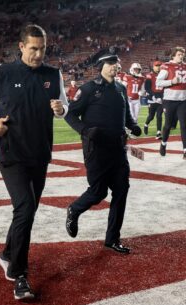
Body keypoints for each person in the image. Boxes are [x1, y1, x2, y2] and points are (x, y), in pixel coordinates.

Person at [0, 24, 68, 300]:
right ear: (21, 47)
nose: (38, 54)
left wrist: (62, 109)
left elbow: (64, 106)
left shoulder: (53, 74)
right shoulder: (4, 73)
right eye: (33, 48)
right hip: (11, 152)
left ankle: (6, 253)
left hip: (39, 153)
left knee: (27, 211)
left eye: (42, 49)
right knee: (25, 208)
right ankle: (19, 274)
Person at [64, 54, 141, 255]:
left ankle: (113, 238)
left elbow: (126, 116)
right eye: (110, 64)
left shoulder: (121, 88)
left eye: (116, 64)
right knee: (98, 192)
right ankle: (74, 209)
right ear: (101, 67)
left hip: (118, 148)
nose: (115, 67)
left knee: (121, 190)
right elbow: (70, 114)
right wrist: (84, 130)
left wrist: (133, 126)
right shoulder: (89, 89)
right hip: (96, 148)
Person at [156, 47, 186, 160]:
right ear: (173, 56)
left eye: (182, 54)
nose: (181, 56)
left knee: (184, 125)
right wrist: (171, 81)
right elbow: (158, 82)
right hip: (170, 100)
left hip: (183, 100)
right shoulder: (166, 66)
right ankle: (163, 144)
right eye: (179, 54)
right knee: (168, 125)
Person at [144, 61, 164, 139]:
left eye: (159, 65)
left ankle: (158, 132)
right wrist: (153, 96)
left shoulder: (164, 75)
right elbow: (147, 88)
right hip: (152, 98)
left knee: (159, 115)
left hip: (161, 98)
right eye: (157, 66)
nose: (158, 67)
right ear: (153, 66)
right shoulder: (149, 75)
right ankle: (146, 124)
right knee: (151, 116)